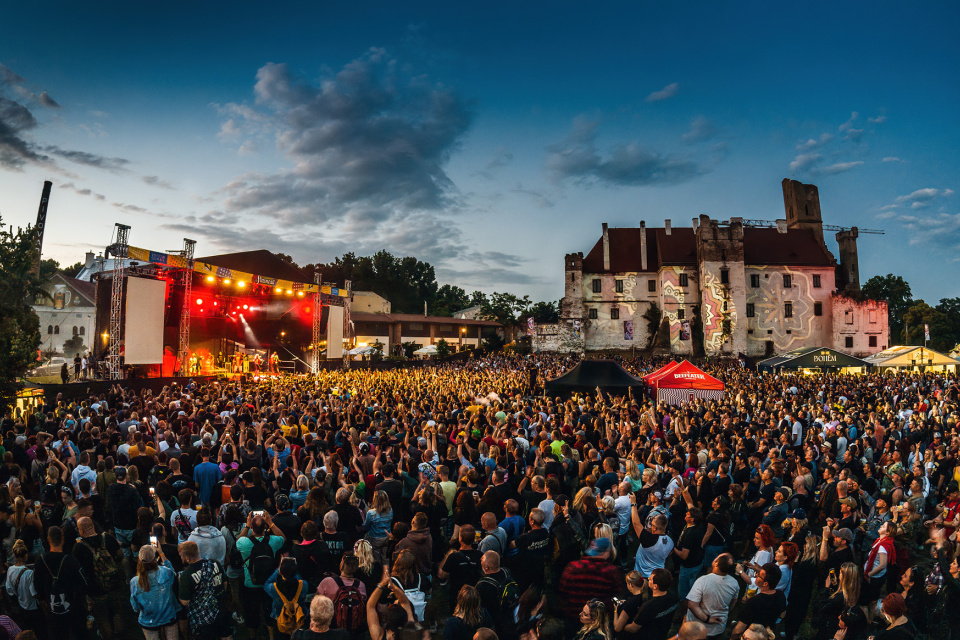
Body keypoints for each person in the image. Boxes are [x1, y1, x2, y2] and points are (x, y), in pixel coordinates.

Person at [235, 510, 286, 633]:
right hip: (268, 582)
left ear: (252, 527)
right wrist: (271, 523)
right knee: (269, 612)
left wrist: (247, 525)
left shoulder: (245, 543)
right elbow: (283, 538)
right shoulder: (273, 541)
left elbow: (238, 541)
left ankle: (253, 636)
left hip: (251, 583)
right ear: (265, 527)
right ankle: (271, 635)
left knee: (252, 614)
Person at [32, 526, 85, 640]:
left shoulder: (40, 560)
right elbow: (82, 582)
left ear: (48, 539)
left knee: (58, 633)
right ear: (62, 538)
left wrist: (43, 598)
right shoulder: (70, 560)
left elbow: (37, 584)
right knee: (79, 632)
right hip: (73, 604)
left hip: (52, 604)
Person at [177, 540, 233, 640]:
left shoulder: (186, 575)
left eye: (181, 556)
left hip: (202, 617)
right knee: (226, 635)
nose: (180, 558)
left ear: (187, 558)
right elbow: (224, 583)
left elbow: (185, 602)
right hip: (221, 607)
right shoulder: (214, 563)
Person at [684, 553, 740, 640]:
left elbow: (692, 605)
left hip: (697, 629)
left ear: (716, 563)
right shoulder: (734, 583)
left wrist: (707, 619)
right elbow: (733, 603)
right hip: (718, 629)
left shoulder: (703, 580)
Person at [129, 544, 179, 640]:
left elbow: (135, 606)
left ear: (139, 559)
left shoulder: (135, 581)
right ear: (155, 558)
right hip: (168, 615)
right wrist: (161, 553)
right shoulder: (166, 572)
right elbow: (173, 573)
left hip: (148, 620)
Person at [616, 568, 679, 640]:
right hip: (663, 633)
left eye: (651, 579)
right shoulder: (673, 597)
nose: (648, 578)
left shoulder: (648, 606)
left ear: (655, 586)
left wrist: (622, 626)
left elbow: (633, 628)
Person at [730, 563, 786, 639]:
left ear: (765, 583)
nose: (756, 575)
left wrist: (732, 637)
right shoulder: (781, 595)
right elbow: (782, 614)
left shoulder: (754, 602)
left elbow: (738, 630)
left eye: (759, 575)